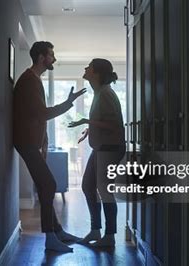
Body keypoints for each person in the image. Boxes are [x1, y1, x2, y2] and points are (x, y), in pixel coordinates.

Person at [13, 41, 86, 252]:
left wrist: (43, 142)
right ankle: (51, 239)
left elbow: (36, 116)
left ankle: (58, 232)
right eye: (51, 55)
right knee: (49, 185)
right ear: (41, 57)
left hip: (30, 143)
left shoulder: (34, 80)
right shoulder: (29, 81)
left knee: (46, 185)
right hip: (25, 142)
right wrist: (68, 102)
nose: (54, 59)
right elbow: (42, 114)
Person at [68, 58, 126, 247]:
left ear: (97, 73)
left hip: (109, 149)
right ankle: (95, 230)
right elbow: (104, 121)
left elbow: (115, 126)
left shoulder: (106, 94)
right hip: (101, 148)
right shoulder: (100, 93)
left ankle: (109, 237)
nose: (85, 68)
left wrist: (87, 122)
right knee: (87, 186)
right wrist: (90, 130)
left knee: (104, 191)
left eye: (89, 67)